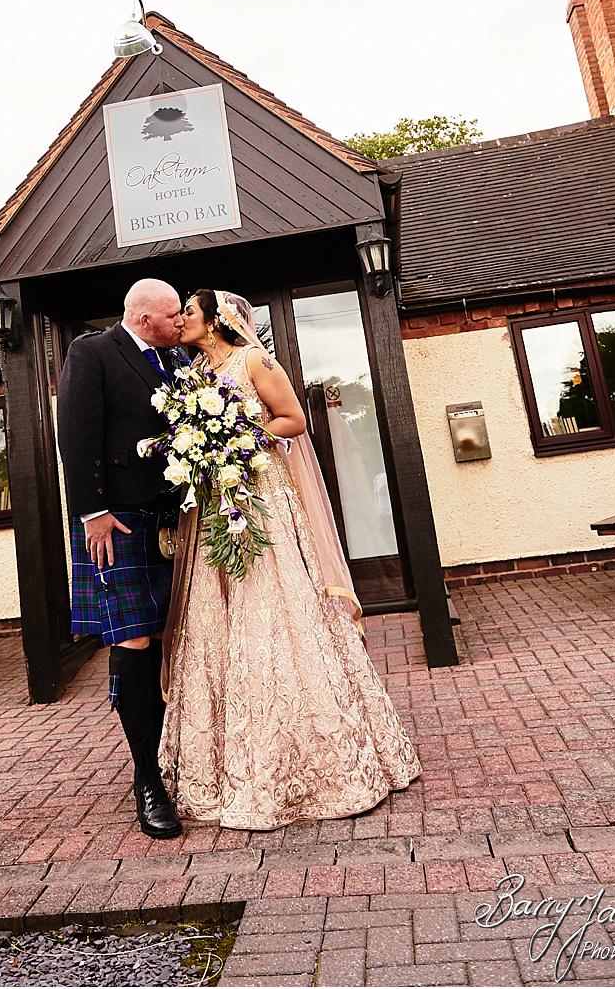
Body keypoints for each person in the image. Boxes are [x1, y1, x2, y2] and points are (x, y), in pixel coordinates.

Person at [159, 288, 422, 829]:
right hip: (215, 503)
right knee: (217, 614)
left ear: (216, 320)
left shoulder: (255, 360)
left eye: (189, 310)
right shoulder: (191, 375)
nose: (181, 318)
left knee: (275, 602)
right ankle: (226, 761)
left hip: (261, 496)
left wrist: (238, 436)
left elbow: (293, 419)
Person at [56, 278, 187, 839]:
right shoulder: (92, 352)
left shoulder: (173, 359)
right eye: (174, 315)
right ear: (144, 317)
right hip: (119, 523)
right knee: (133, 640)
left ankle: (173, 753)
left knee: (165, 639)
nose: (181, 322)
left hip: (172, 519)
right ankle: (146, 780)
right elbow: (75, 435)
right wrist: (92, 513)